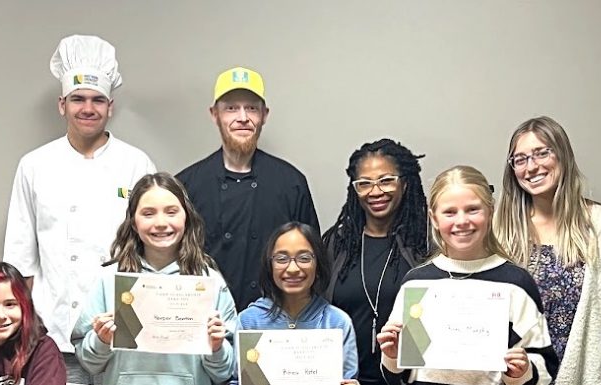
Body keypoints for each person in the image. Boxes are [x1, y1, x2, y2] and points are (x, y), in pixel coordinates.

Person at [3, 34, 156, 383]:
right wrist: (19, 336)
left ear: (110, 106)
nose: (88, 108)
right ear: (62, 104)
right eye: (78, 99)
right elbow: (20, 258)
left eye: (97, 100)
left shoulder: (137, 165)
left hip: (122, 336)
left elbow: (157, 252)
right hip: (52, 338)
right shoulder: (34, 165)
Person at [377, 165, 559, 385]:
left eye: (473, 209)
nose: (461, 221)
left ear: (490, 212)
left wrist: (521, 372)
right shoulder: (416, 284)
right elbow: (397, 377)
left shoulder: (516, 284)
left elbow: (546, 369)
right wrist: (393, 355)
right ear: (434, 218)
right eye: (450, 212)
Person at [494, 116, 601, 385]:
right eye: (520, 159)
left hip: (583, 370)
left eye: (541, 153)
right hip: (518, 375)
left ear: (562, 155)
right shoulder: (502, 228)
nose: (531, 167)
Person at [71, 172, 236, 385]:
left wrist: (216, 348)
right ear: (133, 222)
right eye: (148, 213)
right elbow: (89, 364)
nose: (160, 223)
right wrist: (101, 340)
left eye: (171, 212)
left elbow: (225, 372)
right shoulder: (110, 280)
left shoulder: (208, 282)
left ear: (186, 216)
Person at [177, 66, 319, 312]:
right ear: (214, 114)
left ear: (264, 115)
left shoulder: (290, 182)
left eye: (251, 108)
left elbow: (312, 262)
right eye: (231, 108)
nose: (242, 117)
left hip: (274, 323)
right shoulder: (187, 185)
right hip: (203, 321)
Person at [322, 138, 429, 385]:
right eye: (364, 184)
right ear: (354, 188)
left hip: (407, 380)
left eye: (386, 180)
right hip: (347, 380)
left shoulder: (425, 245)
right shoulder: (336, 245)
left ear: (405, 183)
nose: (376, 191)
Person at [232, 222, 358, 384]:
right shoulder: (249, 321)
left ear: (318, 264)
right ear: (270, 265)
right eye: (282, 259)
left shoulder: (338, 322)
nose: (292, 269)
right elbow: (239, 379)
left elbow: (348, 378)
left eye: (304, 258)